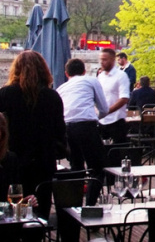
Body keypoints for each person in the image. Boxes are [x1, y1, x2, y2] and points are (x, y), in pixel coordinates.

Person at [0, 51, 66, 198]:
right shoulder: (52, 97)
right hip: (43, 162)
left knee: (14, 206)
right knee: (41, 208)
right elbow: (60, 131)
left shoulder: (5, 94)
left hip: (13, 161)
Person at [57, 58, 108, 201]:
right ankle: (90, 206)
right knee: (97, 168)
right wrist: (96, 116)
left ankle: (75, 204)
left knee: (76, 168)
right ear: (84, 71)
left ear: (67, 74)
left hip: (67, 127)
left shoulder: (61, 88)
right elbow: (104, 108)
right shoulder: (91, 81)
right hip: (86, 125)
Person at [0, 109, 38, 208]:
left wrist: (26, 202)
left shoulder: (10, 160)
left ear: (2, 135)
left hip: (4, 218)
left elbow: (17, 197)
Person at [97, 48, 131, 144]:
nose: (101, 62)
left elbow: (124, 98)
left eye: (104, 59)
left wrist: (107, 111)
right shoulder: (100, 77)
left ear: (112, 60)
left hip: (116, 120)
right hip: (102, 120)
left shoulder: (121, 76)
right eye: (100, 59)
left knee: (117, 152)